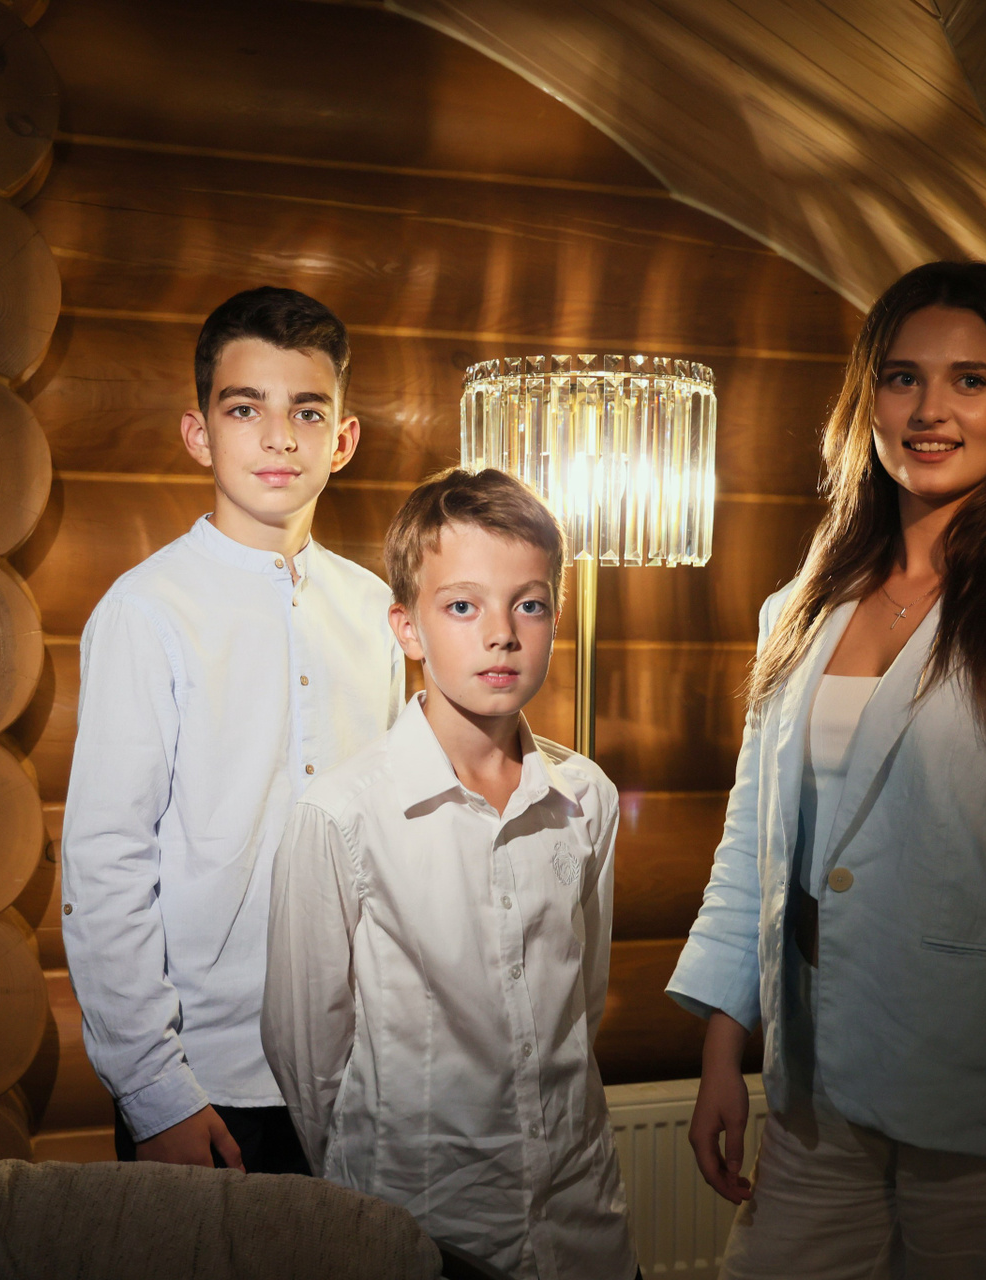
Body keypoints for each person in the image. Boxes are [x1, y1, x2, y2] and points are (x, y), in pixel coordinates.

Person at [666, 261, 986, 1279]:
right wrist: (724, 1049)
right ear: (868, 401)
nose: (932, 409)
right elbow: (752, 848)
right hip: (813, 1091)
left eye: (970, 380)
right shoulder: (799, 609)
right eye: (903, 377)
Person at [60, 287, 404, 1175]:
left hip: (360, 1075)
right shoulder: (146, 611)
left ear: (343, 439)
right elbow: (105, 864)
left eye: (307, 411)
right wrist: (154, 1092)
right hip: (205, 1083)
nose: (279, 437)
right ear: (200, 434)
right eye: (245, 409)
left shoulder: (378, 611)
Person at [263, 468, 637, 1280]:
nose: (501, 634)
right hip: (423, 1227)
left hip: (581, 1224)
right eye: (463, 606)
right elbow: (308, 1058)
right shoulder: (341, 816)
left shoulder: (587, 799)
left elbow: (581, 1002)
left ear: (555, 618)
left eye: (528, 604)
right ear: (408, 628)